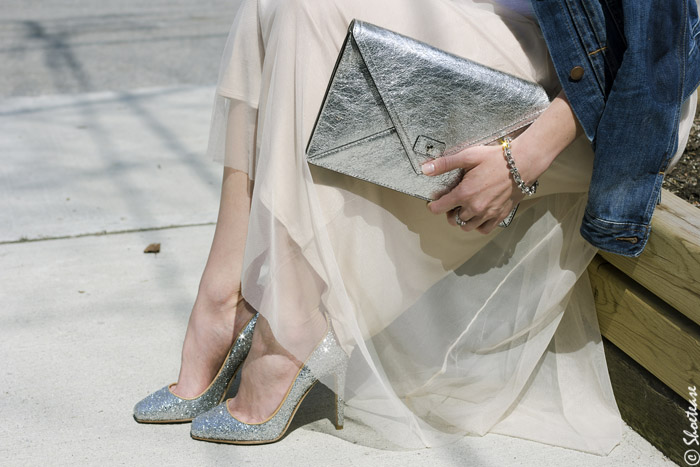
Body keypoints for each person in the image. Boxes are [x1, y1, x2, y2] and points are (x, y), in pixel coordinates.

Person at [133, 0, 700, 454]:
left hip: (594, 96)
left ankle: (292, 326)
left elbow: (656, 51)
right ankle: (225, 296)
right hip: (494, 27)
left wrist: (519, 159)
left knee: (310, 12)